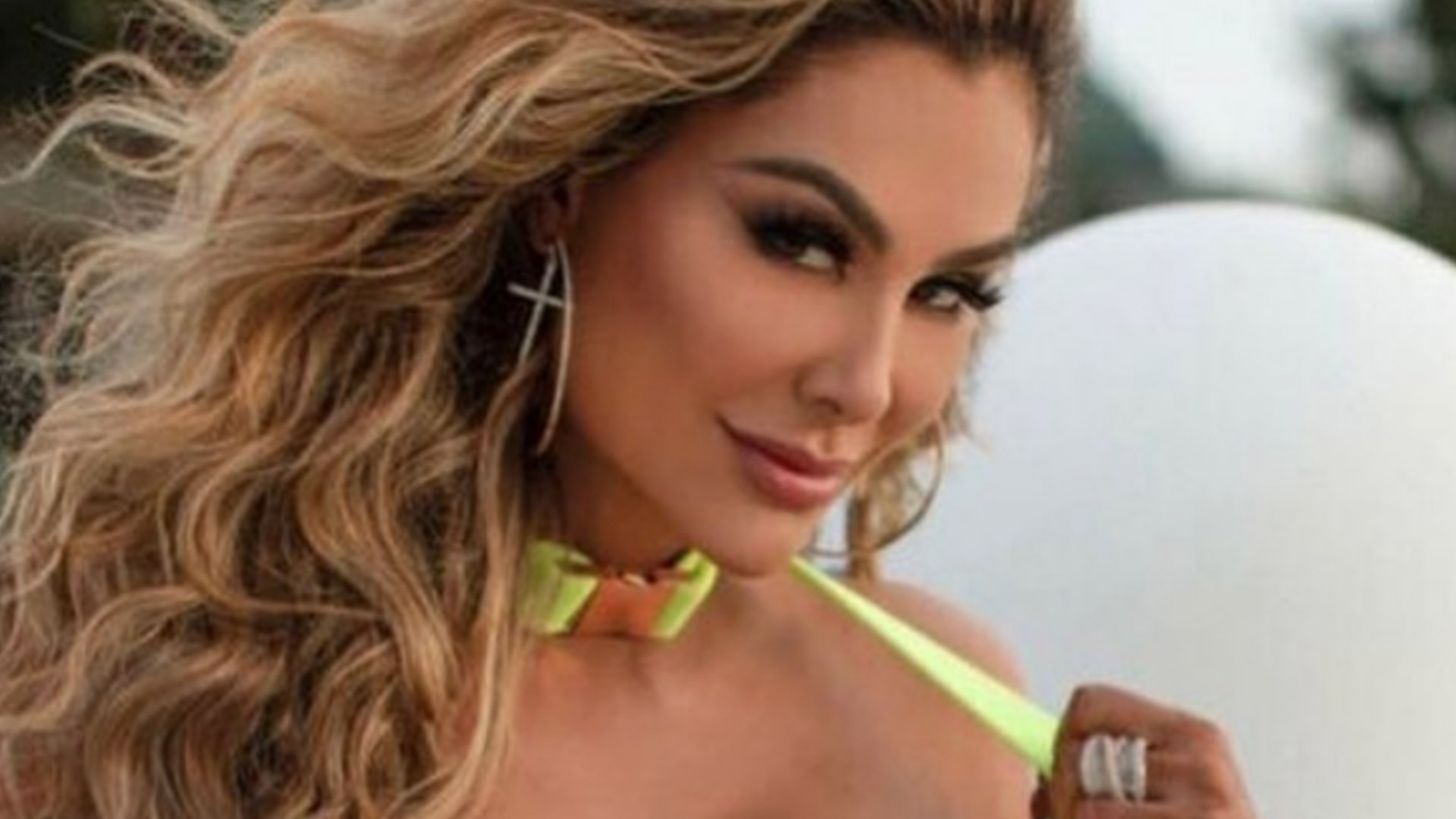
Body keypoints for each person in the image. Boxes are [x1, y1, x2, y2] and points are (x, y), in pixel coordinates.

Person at [0, 0, 1260, 817]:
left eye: (947, 291)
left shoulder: (947, 728)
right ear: (564, 181)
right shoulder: (134, 650)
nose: (869, 384)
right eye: (800, 240)